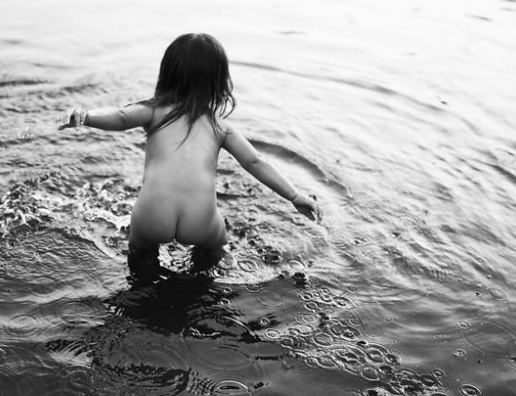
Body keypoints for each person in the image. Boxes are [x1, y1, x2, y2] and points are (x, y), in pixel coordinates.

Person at [58, 33, 321, 274]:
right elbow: (254, 161)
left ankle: (144, 285)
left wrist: (86, 117)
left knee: (141, 258)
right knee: (213, 253)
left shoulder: (154, 111)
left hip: (152, 216)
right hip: (201, 221)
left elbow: (120, 116)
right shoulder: (221, 127)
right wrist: (294, 196)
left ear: (167, 73)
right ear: (219, 82)